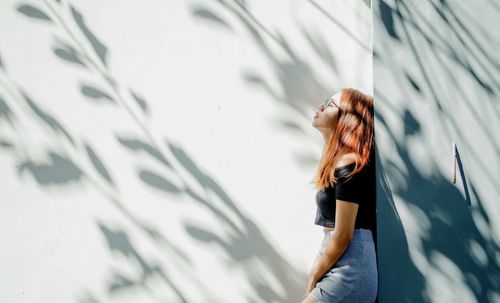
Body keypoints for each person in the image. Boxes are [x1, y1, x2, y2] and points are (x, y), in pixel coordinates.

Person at [301, 88, 378, 303]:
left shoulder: (349, 163)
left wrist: (315, 275)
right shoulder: (337, 161)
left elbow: (343, 235)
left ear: (348, 118)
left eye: (329, 104)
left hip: (351, 268)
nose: (320, 107)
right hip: (340, 260)